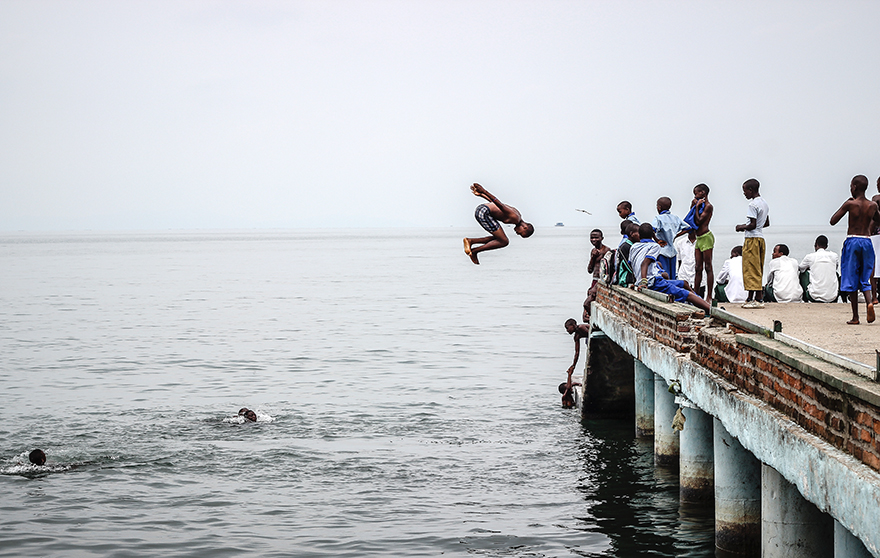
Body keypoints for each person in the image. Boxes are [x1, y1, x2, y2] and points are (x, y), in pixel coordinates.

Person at [830, 175, 880, 324]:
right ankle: (869, 302)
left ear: (855, 187)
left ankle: (855, 317)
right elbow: (878, 220)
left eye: (851, 186)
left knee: (851, 277)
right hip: (867, 240)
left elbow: (833, 221)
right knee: (865, 277)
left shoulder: (851, 204)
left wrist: (846, 205)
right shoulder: (872, 205)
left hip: (852, 240)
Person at [630, 223, 710, 312]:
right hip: (654, 283)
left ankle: (702, 303)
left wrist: (637, 281)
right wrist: (644, 282)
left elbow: (633, 265)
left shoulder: (633, 247)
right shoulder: (655, 246)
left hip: (649, 281)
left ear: (640, 235)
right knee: (688, 295)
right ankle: (710, 310)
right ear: (653, 234)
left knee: (684, 283)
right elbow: (644, 263)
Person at [463, 183, 534, 264]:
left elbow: (497, 205)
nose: (517, 233)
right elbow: (500, 205)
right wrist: (484, 191)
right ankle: (475, 251)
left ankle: (471, 241)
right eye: (521, 234)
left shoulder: (517, 215)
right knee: (504, 241)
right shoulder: (515, 218)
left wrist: (481, 195)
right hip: (483, 212)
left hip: (483, 211)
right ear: (525, 227)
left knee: (499, 239)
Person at [736, 179, 770, 308]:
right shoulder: (764, 203)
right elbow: (766, 223)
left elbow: (752, 225)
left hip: (752, 239)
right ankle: (751, 297)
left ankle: (758, 298)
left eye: (745, 191)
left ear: (750, 190)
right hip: (761, 239)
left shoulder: (752, 205)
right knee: (758, 267)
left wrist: (740, 227)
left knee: (750, 268)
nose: (744, 194)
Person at [651, 197, 688, 279]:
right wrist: (676, 236)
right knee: (672, 275)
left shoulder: (658, 218)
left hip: (662, 250)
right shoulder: (675, 218)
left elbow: (651, 230)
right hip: (672, 251)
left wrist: (657, 240)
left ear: (659, 207)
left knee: (663, 275)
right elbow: (688, 228)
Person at [690, 184, 715, 304]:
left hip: (706, 237)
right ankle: (696, 294)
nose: (695, 196)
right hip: (698, 238)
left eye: (697, 193)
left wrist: (696, 207)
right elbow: (691, 219)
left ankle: (709, 296)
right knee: (697, 267)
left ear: (703, 193)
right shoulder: (698, 205)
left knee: (708, 267)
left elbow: (699, 220)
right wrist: (693, 206)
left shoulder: (708, 206)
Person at [799, 235, 840, 303]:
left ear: (815, 244)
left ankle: (805, 299)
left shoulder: (810, 257)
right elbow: (835, 267)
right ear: (826, 246)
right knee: (835, 274)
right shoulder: (834, 256)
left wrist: (810, 268)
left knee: (803, 274)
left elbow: (801, 269)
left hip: (814, 297)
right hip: (833, 297)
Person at [583, 230, 610, 320]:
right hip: (594, 279)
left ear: (602, 238)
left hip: (601, 281)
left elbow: (608, 270)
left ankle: (595, 319)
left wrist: (598, 285)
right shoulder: (593, 251)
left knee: (588, 303)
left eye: (596, 237)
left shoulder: (607, 251)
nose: (594, 239)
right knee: (590, 301)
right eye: (592, 237)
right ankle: (592, 318)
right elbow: (589, 270)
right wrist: (593, 257)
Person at [871, 177, 880, 304]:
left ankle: (874, 296)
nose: (877, 186)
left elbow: (873, 217)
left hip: (875, 233)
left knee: (873, 265)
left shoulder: (876, 199)